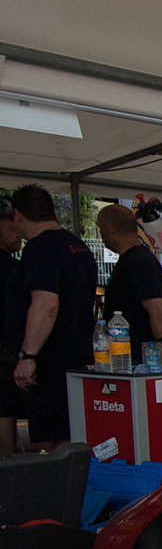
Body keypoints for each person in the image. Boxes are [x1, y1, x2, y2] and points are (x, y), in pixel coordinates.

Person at [9, 184, 97, 451]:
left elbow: (46, 304)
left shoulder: (40, 248)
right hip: (78, 355)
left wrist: (28, 356)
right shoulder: (77, 246)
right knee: (72, 432)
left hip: (50, 362)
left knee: (50, 442)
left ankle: (57, 491)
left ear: (18, 215)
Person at [97, 203, 162, 365]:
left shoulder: (137, 261)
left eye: (100, 229)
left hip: (141, 361)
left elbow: (159, 312)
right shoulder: (133, 259)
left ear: (108, 229)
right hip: (130, 359)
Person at [0, 204, 25, 454]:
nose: (17, 235)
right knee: (5, 412)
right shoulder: (9, 267)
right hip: (6, 348)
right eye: (11, 230)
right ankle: (8, 465)